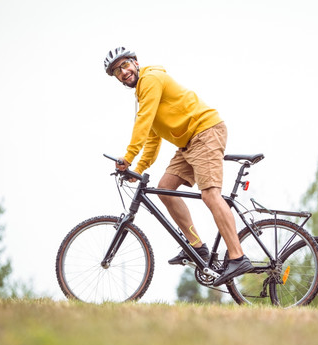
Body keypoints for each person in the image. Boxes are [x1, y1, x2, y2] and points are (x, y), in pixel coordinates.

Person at [103, 46, 253, 286]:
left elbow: (143, 121)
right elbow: (152, 137)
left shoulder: (150, 79)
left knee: (210, 194)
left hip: (205, 131)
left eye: (124, 65)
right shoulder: (142, 94)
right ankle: (198, 248)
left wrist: (129, 156)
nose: (122, 72)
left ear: (135, 62)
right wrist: (139, 168)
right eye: (116, 71)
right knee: (165, 189)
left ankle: (238, 256)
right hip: (188, 143)